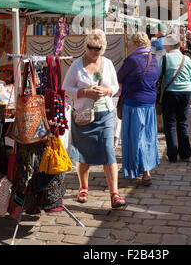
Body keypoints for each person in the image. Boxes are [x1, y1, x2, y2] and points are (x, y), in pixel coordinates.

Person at [63, 29, 126, 208]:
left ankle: (114, 193)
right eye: (90, 47)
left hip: (104, 113)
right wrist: (84, 92)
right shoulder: (77, 65)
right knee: (84, 153)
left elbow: (115, 86)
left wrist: (106, 91)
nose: (93, 51)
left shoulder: (107, 64)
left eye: (97, 48)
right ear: (86, 46)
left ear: (103, 48)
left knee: (108, 151)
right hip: (83, 116)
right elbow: (66, 88)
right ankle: (83, 187)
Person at [117, 32, 159, 185]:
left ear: (134, 44)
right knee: (148, 137)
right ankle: (147, 170)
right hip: (149, 103)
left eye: (130, 43)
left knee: (134, 137)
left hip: (134, 103)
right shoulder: (153, 59)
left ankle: (135, 169)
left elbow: (119, 77)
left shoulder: (132, 60)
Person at [158, 35, 191, 163]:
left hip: (170, 93)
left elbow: (157, 76)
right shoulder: (186, 59)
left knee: (170, 124)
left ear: (168, 46)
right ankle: (185, 154)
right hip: (186, 91)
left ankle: (172, 154)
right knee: (183, 123)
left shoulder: (164, 58)